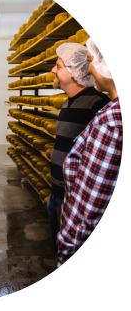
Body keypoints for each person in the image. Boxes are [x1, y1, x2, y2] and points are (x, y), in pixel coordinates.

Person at [56, 39, 122, 267]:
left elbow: (90, 200)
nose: (90, 68)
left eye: (58, 65)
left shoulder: (107, 116)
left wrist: (68, 245)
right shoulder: (68, 105)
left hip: (79, 213)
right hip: (62, 196)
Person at [48, 43, 110, 252]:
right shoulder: (67, 103)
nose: (52, 70)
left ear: (75, 72)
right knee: (58, 250)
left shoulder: (98, 106)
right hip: (57, 194)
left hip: (75, 200)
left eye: (58, 66)